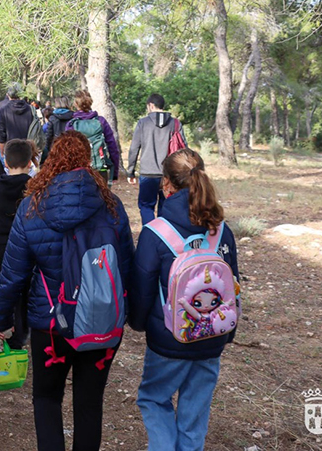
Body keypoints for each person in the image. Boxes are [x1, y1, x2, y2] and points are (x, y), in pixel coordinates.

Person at [0, 131, 135, 451]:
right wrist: (134, 314)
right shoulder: (111, 206)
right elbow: (126, 266)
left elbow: (13, 275)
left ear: (48, 160)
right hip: (101, 320)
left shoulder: (31, 208)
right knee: (90, 402)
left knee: (46, 398)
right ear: (89, 160)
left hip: (51, 323)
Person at [130, 148, 239, 451]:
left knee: (154, 398)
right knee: (195, 412)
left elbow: (142, 287)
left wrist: (139, 324)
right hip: (212, 336)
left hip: (170, 339)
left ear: (166, 185)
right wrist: (228, 333)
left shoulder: (156, 232)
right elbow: (234, 285)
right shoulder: (221, 231)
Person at [0, 139, 33, 349]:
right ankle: (26, 330)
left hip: (2, 247)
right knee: (29, 289)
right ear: (30, 162)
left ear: (5, 162)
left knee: (10, 290)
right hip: (29, 246)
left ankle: (15, 335)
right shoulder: (34, 188)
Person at [126, 93, 184, 225]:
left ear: (151, 105)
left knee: (146, 206)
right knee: (166, 207)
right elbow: (183, 149)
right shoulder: (175, 123)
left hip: (148, 173)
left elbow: (134, 148)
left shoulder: (143, 123)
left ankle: (150, 235)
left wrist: (131, 171)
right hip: (169, 174)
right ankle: (165, 238)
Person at [66, 90, 121, 184]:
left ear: (75, 104)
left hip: (77, 171)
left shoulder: (71, 124)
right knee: (101, 197)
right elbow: (113, 147)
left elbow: (66, 151)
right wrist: (114, 172)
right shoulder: (101, 121)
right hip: (100, 169)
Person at [0, 86, 34, 155]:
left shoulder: (2, 110)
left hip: (10, 149)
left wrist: (2, 152)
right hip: (27, 148)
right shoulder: (30, 110)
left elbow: (0, 132)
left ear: (8, 95)